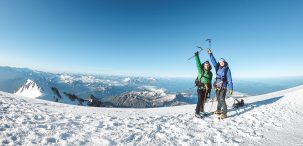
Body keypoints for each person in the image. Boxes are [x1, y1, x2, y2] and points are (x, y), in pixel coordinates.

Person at [207, 48, 233, 119]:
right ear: (219, 63)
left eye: (223, 62)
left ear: (224, 62)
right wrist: (210, 54)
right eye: (221, 62)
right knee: (218, 99)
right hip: (217, 85)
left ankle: (224, 113)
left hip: (223, 86)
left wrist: (231, 88)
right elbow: (213, 61)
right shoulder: (217, 67)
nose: (222, 63)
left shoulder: (227, 69)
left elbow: (230, 79)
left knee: (222, 99)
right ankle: (218, 110)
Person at [194, 51, 213, 117]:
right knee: (200, 100)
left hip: (206, 89)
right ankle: (197, 112)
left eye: (208, 65)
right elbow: (198, 64)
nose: (207, 66)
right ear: (204, 65)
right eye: (205, 65)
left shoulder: (210, 73)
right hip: (200, 88)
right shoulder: (201, 71)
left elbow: (210, 81)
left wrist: (209, 88)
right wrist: (196, 56)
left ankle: (201, 111)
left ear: (209, 66)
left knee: (203, 100)